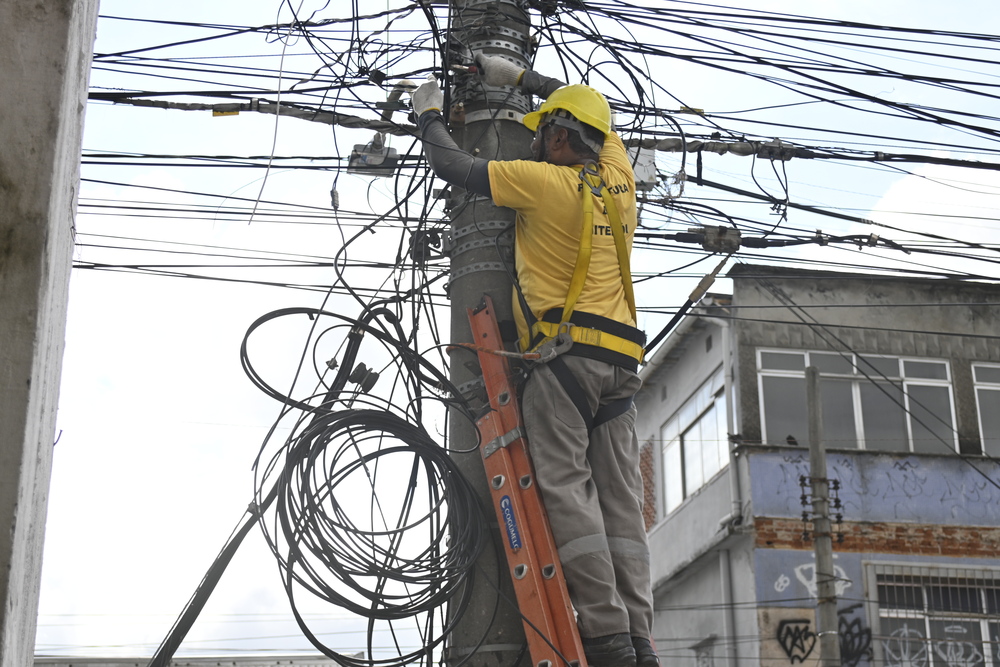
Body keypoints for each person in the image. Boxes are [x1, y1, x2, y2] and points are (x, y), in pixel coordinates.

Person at [411, 55, 657, 667]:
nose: (540, 138)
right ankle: (641, 637)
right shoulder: (618, 175)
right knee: (621, 506)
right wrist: (516, 78)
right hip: (622, 364)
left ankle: (606, 638)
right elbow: (588, 104)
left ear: (557, 138)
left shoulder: (542, 183)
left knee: (569, 494)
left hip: (564, 360)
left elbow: (452, 164)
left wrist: (430, 114)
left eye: (546, 130)